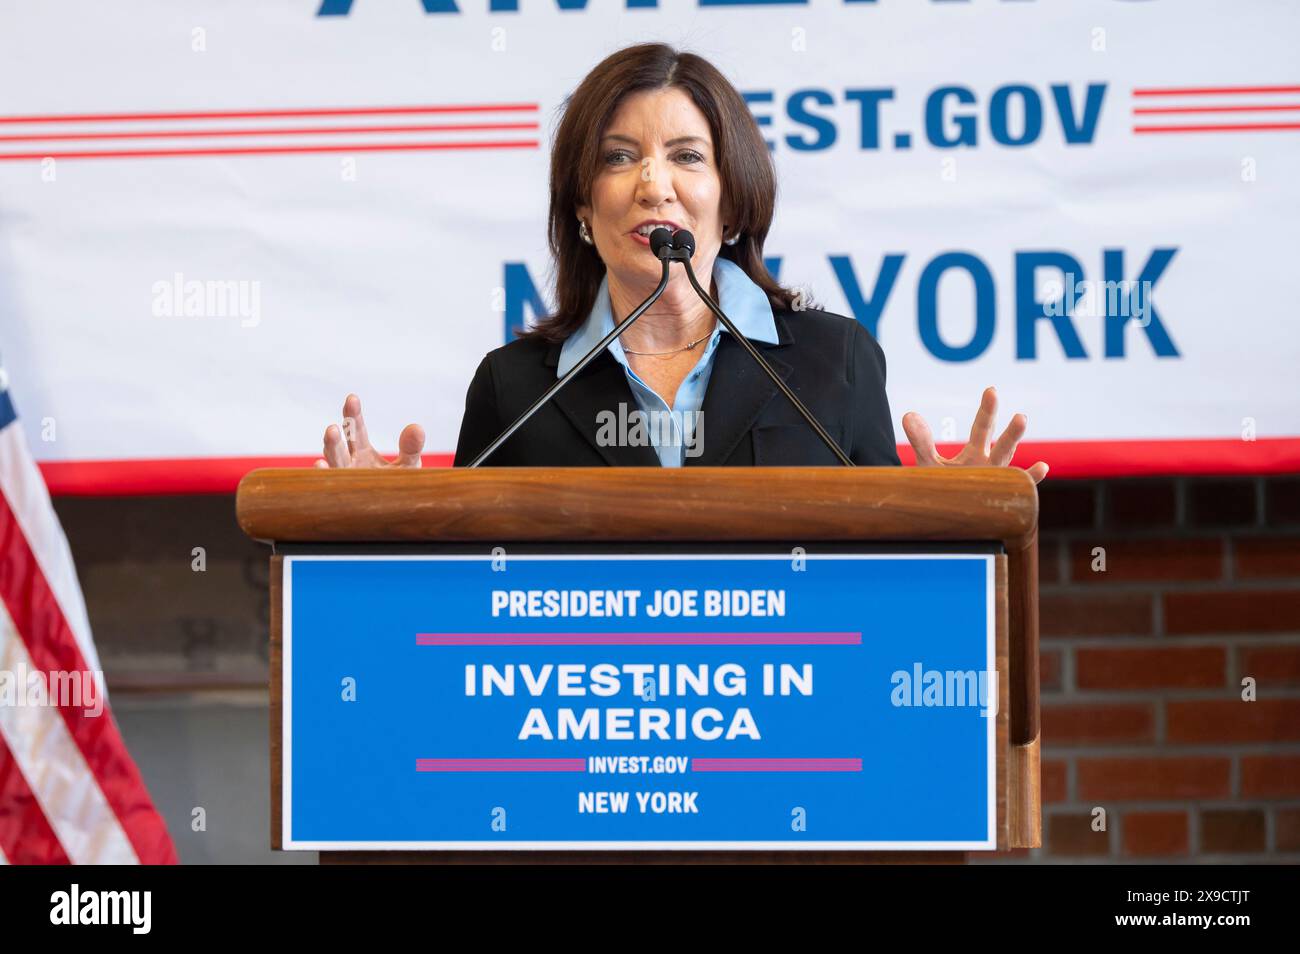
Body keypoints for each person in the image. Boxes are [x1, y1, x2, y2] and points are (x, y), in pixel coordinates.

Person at [317, 43, 1048, 481]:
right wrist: (386, 528)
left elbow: (885, 585)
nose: (652, 184)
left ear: (731, 206)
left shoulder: (836, 362)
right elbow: (470, 602)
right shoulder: (514, 392)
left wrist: (957, 524)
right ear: (581, 205)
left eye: (687, 157)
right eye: (619, 158)